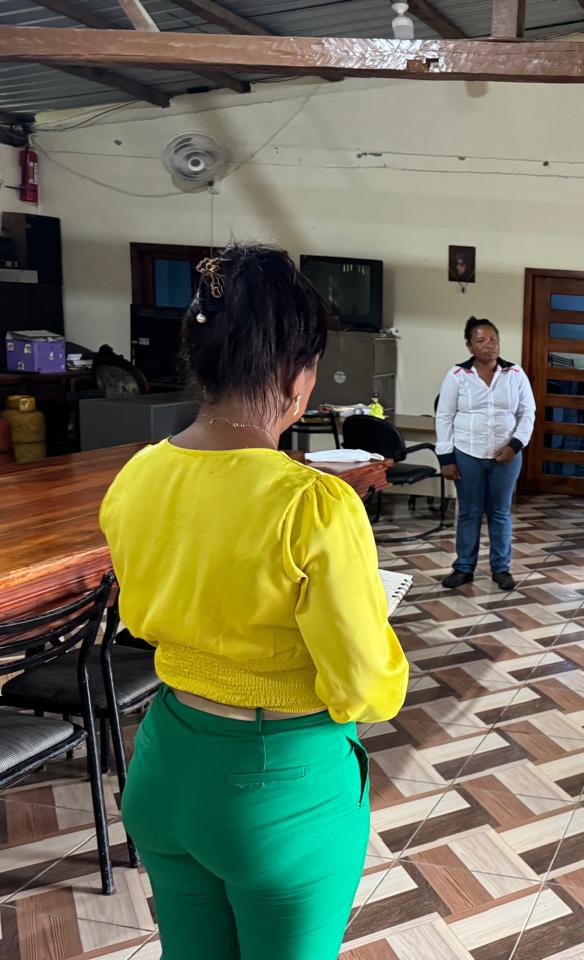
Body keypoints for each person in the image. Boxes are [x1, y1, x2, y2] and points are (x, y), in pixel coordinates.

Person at [100, 243, 410, 960]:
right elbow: (366, 688)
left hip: (165, 763)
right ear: (297, 375)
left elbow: (157, 604)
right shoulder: (313, 503)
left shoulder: (138, 474)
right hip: (280, 789)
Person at [436, 317, 536, 592]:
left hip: (506, 455)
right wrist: (446, 458)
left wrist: (515, 445)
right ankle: (464, 567)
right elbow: (444, 416)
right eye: (481, 341)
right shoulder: (457, 375)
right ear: (469, 346)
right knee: (469, 511)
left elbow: (528, 412)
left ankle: (501, 568)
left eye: (493, 339)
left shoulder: (515, 373)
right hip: (467, 453)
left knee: (500, 511)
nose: (489, 345)